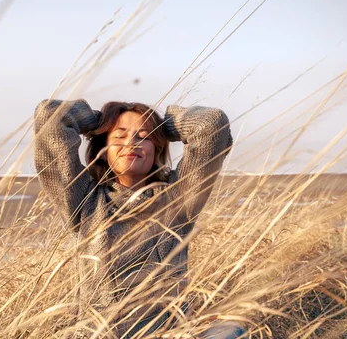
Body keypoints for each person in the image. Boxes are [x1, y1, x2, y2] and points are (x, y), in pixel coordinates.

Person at [34, 99, 242, 338]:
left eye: (144, 137)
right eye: (119, 136)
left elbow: (211, 124)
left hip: (168, 334)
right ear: (103, 150)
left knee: (231, 331)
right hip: (99, 334)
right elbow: (50, 116)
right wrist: (101, 120)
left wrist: (163, 126)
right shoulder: (83, 199)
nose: (131, 143)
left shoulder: (177, 198)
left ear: (157, 150)